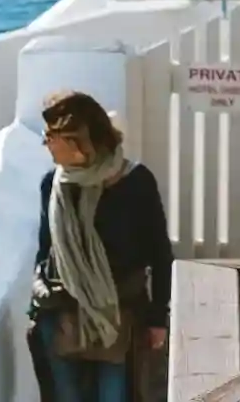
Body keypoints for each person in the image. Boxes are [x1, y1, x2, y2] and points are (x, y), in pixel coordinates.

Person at [27, 89, 172, 402]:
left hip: (119, 315)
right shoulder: (52, 185)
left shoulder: (135, 182)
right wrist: (35, 309)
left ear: (80, 141)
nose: (45, 144)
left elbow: (160, 254)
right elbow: (45, 250)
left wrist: (158, 318)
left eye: (52, 136)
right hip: (60, 312)